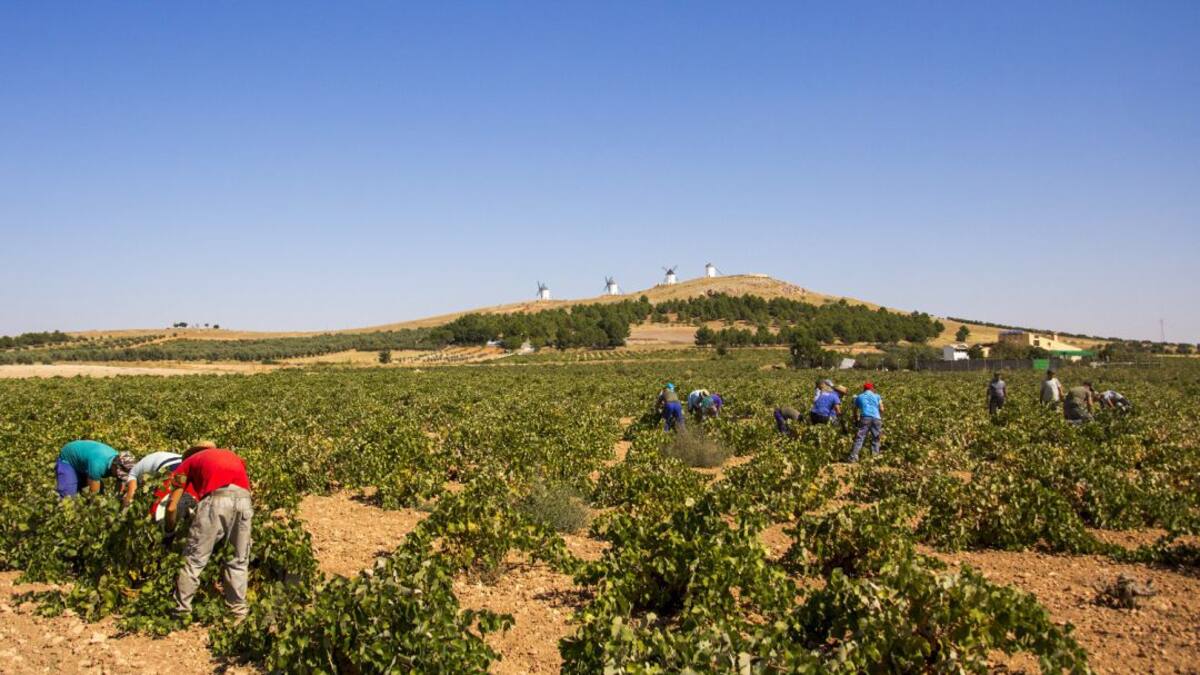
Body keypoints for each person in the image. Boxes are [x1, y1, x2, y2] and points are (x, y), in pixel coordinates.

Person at [167, 442, 252, 620]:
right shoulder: (231, 455)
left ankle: (181, 612)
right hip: (245, 501)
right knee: (238, 559)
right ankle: (238, 613)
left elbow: (171, 507)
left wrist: (169, 531)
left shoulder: (189, 462)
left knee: (194, 559)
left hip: (217, 500)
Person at [55, 440, 136, 499]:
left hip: (85, 460)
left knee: (96, 492)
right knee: (68, 497)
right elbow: (93, 494)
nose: (119, 476)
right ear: (114, 465)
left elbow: (120, 483)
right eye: (119, 473)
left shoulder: (118, 462)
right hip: (68, 458)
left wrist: (118, 498)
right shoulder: (98, 464)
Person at [848, 382, 884, 462]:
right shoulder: (877, 396)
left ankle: (853, 457)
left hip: (865, 418)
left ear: (864, 389)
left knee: (860, 437)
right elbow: (882, 409)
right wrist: (878, 416)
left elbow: (855, 410)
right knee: (876, 438)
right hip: (876, 418)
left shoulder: (859, 397)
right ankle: (875, 458)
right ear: (872, 389)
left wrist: (856, 419)